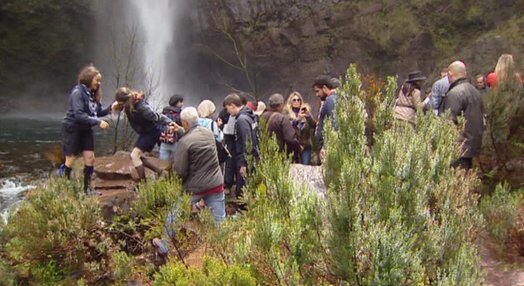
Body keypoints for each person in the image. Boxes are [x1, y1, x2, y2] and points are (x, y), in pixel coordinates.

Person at [153, 107, 225, 256]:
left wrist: (174, 184)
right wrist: (180, 130)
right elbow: (195, 137)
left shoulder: (184, 143)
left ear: (185, 123)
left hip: (195, 187)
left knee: (175, 213)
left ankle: (164, 247)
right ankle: (223, 248)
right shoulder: (209, 133)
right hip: (216, 183)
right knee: (219, 220)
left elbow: (180, 170)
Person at [61, 65, 117, 195]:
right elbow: (79, 115)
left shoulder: (92, 95)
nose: (99, 83)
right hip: (72, 128)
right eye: (97, 80)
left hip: (85, 129)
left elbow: (98, 113)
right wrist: (98, 122)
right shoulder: (77, 93)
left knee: (90, 158)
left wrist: (111, 108)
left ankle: (87, 189)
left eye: (99, 80)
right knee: (70, 160)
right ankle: (64, 190)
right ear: (88, 79)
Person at [114, 87, 174, 182]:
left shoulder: (141, 107)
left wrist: (170, 122)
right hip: (145, 132)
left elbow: (156, 116)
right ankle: (159, 171)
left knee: (134, 156)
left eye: (122, 103)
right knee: (136, 156)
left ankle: (143, 183)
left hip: (152, 132)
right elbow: (117, 105)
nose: (121, 105)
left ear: (126, 100)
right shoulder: (130, 102)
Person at [441, 61, 485, 172]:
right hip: (474, 145)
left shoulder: (455, 93)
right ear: (465, 73)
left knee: (456, 181)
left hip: (459, 147)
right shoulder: (476, 92)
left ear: (450, 74)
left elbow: (448, 121)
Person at [223, 93, 260, 202]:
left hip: (246, 160)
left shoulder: (241, 120)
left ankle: (242, 214)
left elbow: (246, 141)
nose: (227, 112)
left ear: (233, 105)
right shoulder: (250, 116)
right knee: (249, 188)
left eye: (227, 108)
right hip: (253, 158)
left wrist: (244, 164)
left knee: (242, 190)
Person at [262, 93, 301, 160]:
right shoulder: (282, 119)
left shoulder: (262, 116)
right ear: (281, 104)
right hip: (279, 156)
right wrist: (298, 149)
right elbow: (290, 139)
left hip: (265, 155)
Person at [283, 91, 317, 165]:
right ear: (290, 102)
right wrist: (296, 120)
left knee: (306, 165)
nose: (296, 102)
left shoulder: (305, 112)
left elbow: (313, 125)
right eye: (294, 100)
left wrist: (308, 116)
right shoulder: (287, 114)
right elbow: (287, 128)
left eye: (298, 100)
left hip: (305, 145)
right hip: (293, 145)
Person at [313, 75, 338, 161]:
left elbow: (335, 123)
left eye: (317, 91)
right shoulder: (330, 100)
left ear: (324, 87)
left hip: (328, 148)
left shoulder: (331, 100)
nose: (317, 94)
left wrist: (326, 147)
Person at [159, 95, 183, 162]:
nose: (182, 103)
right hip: (176, 142)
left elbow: (159, 126)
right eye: (181, 102)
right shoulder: (180, 114)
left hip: (164, 142)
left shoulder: (164, 113)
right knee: (177, 164)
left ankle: (162, 172)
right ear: (177, 103)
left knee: (162, 163)